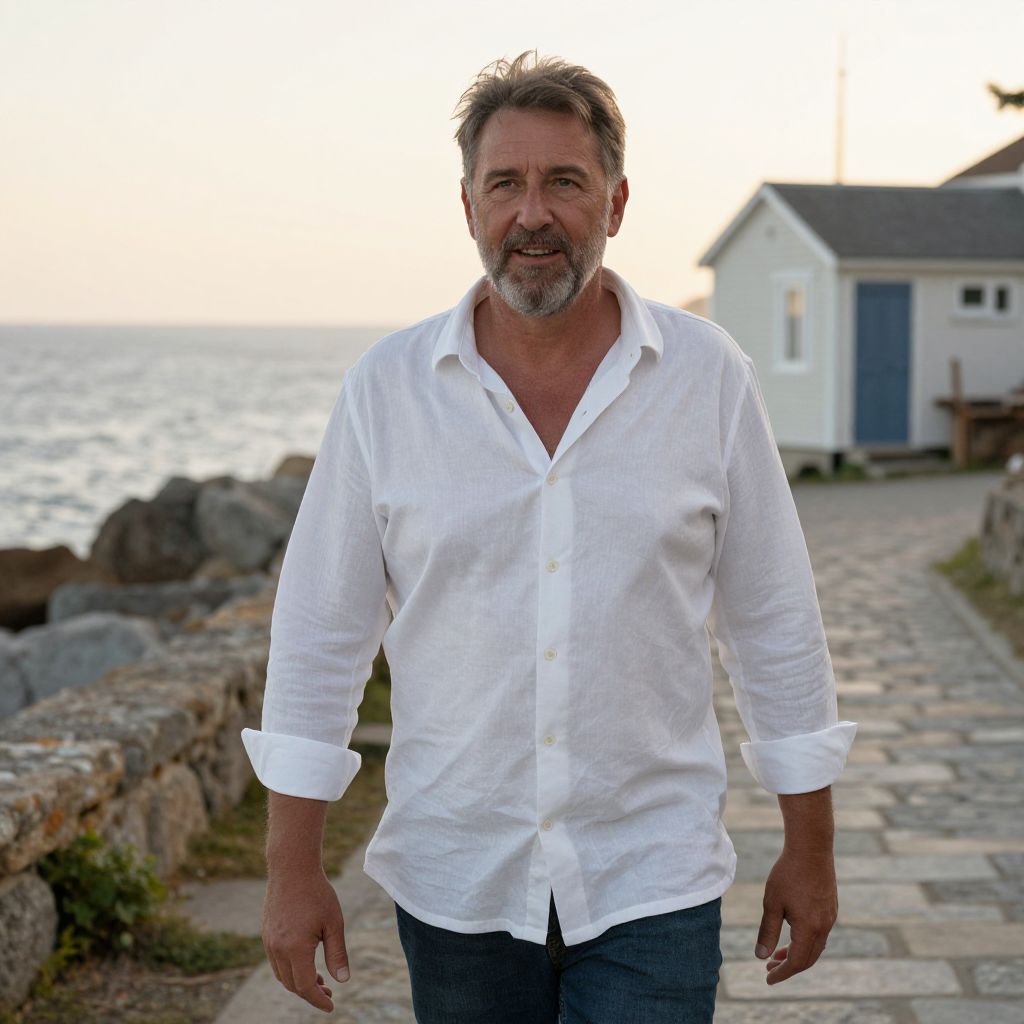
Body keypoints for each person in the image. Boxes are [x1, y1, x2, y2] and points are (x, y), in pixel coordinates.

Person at [241, 51, 858, 1023]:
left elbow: (774, 618)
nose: (533, 213)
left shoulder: (708, 377)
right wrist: (291, 870)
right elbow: (321, 633)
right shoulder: (385, 391)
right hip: (458, 883)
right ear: (468, 207)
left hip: (653, 873)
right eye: (506, 184)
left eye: (564, 182)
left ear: (614, 203)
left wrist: (810, 847)